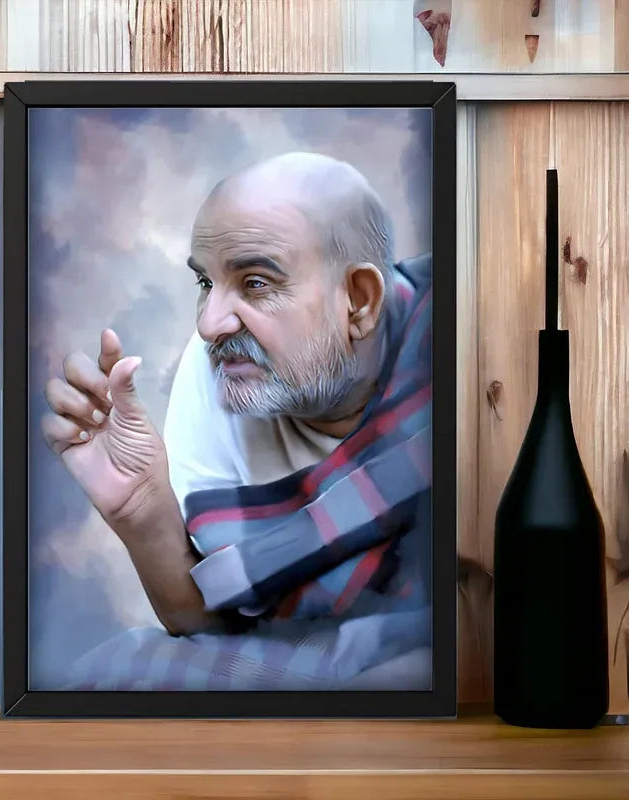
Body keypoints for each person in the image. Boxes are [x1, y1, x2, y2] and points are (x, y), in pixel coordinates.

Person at [42, 152, 433, 690]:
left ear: (359, 301)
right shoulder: (218, 375)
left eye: (255, 283)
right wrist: (143, 514)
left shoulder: (455, 338)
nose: (208, 325)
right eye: (206, 283)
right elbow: (210, 628)